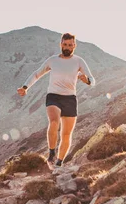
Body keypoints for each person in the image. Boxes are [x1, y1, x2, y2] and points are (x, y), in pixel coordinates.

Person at [17, 32, 95, 167]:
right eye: (65, 44)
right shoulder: (53, 60)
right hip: (53, 96)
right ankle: (52, 153)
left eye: (70, 45)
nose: (67, 47)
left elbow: (93, 80)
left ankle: (59, 162)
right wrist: (25, 87)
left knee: (66, 134)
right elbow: (37, 74)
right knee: (54, 122)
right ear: (61, 44)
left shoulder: (79, 61)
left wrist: (86, 80)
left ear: (74, 46)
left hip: (70, 99)